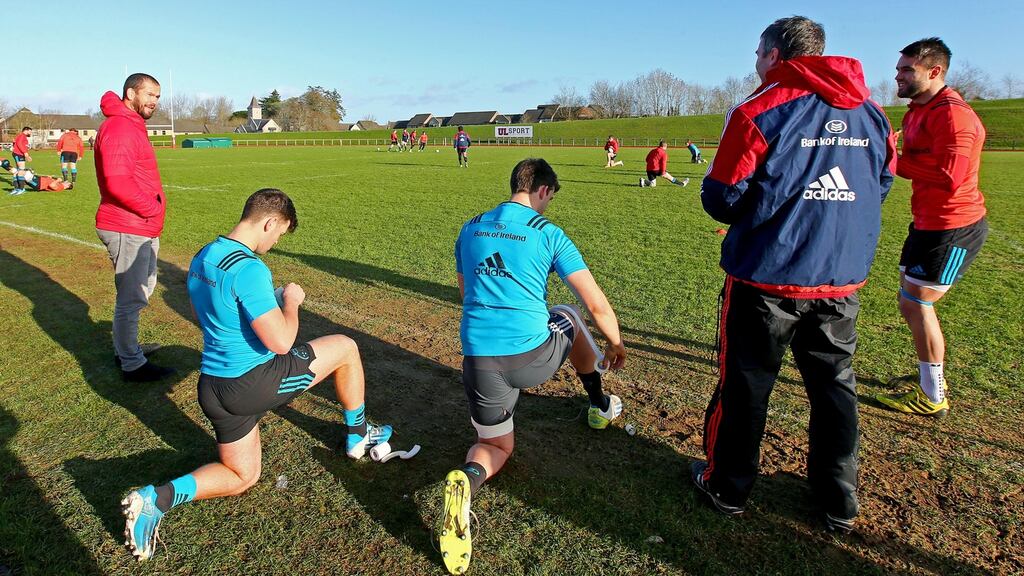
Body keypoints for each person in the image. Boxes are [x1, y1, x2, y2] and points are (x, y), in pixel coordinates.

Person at [692, 16, 896, 535]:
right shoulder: (873, 114)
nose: (755, 65)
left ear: (777, 55)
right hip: (840, 279)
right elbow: (883, 183)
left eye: (758, 54)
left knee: (746, 385)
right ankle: (837, 499)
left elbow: (723, 197)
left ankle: (728, 486)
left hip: (768, 279)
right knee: (834, 388)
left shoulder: (760, 109)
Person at [121, 189, 393, 562]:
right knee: (345, 348)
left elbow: (216, 314)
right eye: (279, 233)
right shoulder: (250, 269)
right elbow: (281, 341)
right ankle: (358, 435)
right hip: (252, 383)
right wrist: (291, 303)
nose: (276, 240)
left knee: (241, 476)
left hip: (213, 387)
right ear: (269, 222)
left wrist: (265, 300)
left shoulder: (204, 255)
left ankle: (156, 499)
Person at [439, 158, 627, 575]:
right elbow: (595, 303)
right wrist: (615, 343)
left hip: (478, 360)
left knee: (496, 447)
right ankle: (598, 405)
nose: (549, 205)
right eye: (551, 198)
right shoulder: (548, 233)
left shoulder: (470, 227)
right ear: (542, 190)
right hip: (530, 359)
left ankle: (467, 480)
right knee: (568, 312)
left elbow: (465, 291)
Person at [875, 38, 989, 418]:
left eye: (907, 70)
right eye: (898, 69)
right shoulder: (916, 111)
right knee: (910, 302)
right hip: (925, 223)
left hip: (954, 227)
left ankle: (933, 394)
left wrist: (890, 160)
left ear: (934, 71)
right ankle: (928, 376)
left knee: (918, 303)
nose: (898, 76)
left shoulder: (954, 116)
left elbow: (950, 176)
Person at [94, 73, 175, 382]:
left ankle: (127, 347)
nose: (154, 101)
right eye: (149, 94)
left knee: (141, 290)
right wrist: (152, 207)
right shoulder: (120, 126)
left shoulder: (129, 124)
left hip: (139, 225)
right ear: (131, 93)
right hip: (128, 226)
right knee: (132, 296)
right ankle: (131, 362)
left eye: (157, 96)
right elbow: (118, 182)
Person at [1, 159, 73, 191]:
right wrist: (49, 178)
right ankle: (4, 165)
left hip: (38, 183)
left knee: (21, 172)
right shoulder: (60, 184)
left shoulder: (60, 187)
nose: (66, 181)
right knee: (18, 172)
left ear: (67, 186)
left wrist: (57, 180)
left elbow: (52, 186)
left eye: (67, 182)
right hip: (39, 181)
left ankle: (20, 189)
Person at [9, 126, 32, 196]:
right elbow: (19, 144)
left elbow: (16, 142)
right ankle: (21, 189)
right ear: (26, 130)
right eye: (30, 131)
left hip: (17, 154)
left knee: (18, 171)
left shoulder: (20, 136)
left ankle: (17, 188)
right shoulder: (22, 136)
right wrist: (26, 153)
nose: (31, 133)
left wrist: (27, 147)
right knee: (21, 171)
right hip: (19, 154)